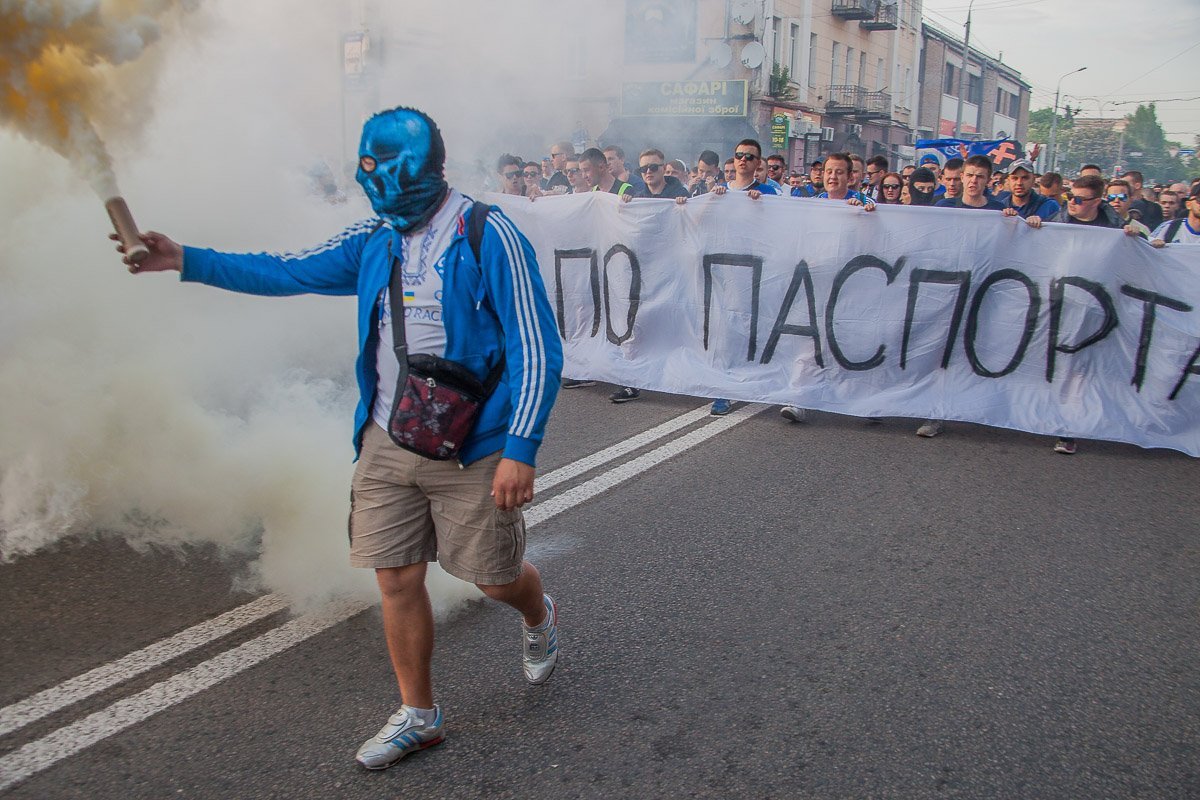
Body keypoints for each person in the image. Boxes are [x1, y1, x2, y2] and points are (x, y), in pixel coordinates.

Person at [114, 107, 563, 769]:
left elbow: (537, 346)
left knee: (493, 581)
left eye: (387, 169)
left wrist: (520, 447)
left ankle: (538, 614)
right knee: (397, 578)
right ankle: (419, 714)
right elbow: (284, 270)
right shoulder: (374, 239)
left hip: (475, 449)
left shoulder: (485, 235)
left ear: (427, 168)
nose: (375, 184)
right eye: (368, 170)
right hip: (386, 439)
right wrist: (183, 258)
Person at [780, 151, 874, 424]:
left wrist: (865, 216)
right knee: (810, 342)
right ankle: (799, 399)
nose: (833, 177)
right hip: (817, 282)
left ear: (850, 176)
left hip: (852, 286)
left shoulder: (863, 204)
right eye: (829, 171)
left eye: (839, 172)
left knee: (852, 345)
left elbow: (877, 242)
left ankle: (869, 403)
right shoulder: (814, 204)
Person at [709, 138, 779, 417]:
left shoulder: (768, 192)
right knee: (725, 329)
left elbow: (783, 225)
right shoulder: (720, 191)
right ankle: (722, 390)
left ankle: (756, 379)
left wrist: (763, 206)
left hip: (758, 271)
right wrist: (706, 201)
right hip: (725, 269)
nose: (743, 160)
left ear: (758, 163)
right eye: (739, 155)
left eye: (749, 157)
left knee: (753, 328)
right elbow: (697, 221)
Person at [935, 155, 1005, 210]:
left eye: (979, 176)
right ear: (962, 177)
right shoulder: (944, 206)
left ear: (988, 181)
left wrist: (1011, 218)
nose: (973, 180)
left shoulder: (998, 209)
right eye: (969, 175)